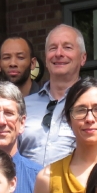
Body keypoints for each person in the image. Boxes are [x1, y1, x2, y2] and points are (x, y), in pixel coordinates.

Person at [20, 24, 87, 167]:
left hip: (75, 187)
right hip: (27, 187)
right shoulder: (23, 105)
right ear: (46, 59)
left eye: (67, 47)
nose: (59, 53)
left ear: (83, 58)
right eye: (53, 48)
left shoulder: (93, 105)